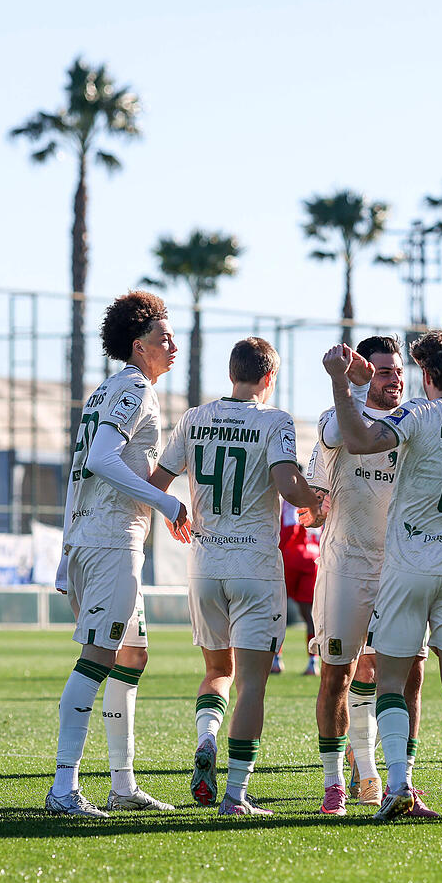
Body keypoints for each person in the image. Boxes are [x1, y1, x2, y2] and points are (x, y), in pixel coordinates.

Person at [324, 329, 442, 821]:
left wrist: (342, 385)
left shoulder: (417, 412)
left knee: (389, 681)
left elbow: (361, 439)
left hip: (407, 567)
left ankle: (397, 786)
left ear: (427, 374)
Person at [149, 337, 320, 817]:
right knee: (252, 684)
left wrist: (173, 510)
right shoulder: (274, 420)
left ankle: (207, 738)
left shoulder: (196, 417)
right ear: (269, 378)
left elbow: (158, 483)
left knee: (216, 672)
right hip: (255, 567)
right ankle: (235, 795)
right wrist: (318, 502)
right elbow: (289, 485)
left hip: (204, 564)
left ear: (232, 374)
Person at [46, 291, 189, 817]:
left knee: (132, 656)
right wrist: (166, 502)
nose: (173, 345)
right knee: (98, 658)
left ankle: (122, 784)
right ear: (138, 345)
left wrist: (66, 550)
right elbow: (103, 460)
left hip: (101, 538)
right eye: (162, 338)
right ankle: (63, 788)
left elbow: (80, 471)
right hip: (109, 542)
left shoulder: (107, 389)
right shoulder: (134, 390)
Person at [301, 336, 433, 816]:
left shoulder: (415, 422)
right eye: (382, 371)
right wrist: (313, 510)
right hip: (346, 566)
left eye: (398, 370)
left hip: (401, 567)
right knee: (339, 673)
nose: (394, 378)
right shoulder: (335, 415)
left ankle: (401, 780)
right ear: (363, 374)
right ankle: (337, 783)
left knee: (409, 675)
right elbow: (334, 443)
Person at [277, 491, 321, 675]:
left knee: (278, 609)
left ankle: (275, 659)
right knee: (309, 614)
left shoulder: (290, 497)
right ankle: (313, 662)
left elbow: (290, 528)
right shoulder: (317, 498)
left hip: (292, 555)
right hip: (314, 557)